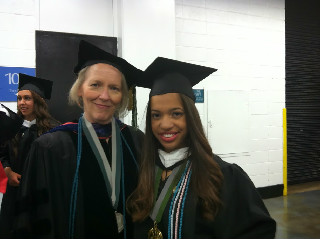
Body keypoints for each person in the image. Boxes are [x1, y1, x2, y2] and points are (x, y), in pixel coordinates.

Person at [127, 57, 276, 239]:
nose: (164, 124)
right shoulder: (143, 170)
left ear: (191, 117)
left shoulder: (222, 175)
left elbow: (258, 232)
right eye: (156, 115)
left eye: (176, 113)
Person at [13, 40, 144, 239]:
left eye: (114, 88)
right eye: (95, 85)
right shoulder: (50, 146)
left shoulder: (136, 140)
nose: (104, 95)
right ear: (80, 89)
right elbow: (34, 218)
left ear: (122, 96)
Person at [0, 74, 57, 238]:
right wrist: (8, 171)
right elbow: (2, 154)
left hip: (40, 193)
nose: (22, 103)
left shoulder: (52, 130)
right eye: (19, 99)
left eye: (27, 98)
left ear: (38, 101)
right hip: (14, 192)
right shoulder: (10, 127)